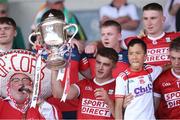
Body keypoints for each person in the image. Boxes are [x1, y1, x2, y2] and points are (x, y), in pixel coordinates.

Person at [31, 9, 90, 119]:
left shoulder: (75, 49)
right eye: (49, 27)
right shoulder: (35, 53)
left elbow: (91, 77)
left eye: (56, 26)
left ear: (64, 26)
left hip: (71, 108)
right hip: (44, 108)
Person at [51, 47, 118, 119]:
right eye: (98, 62)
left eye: (105, 64)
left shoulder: (119, 87)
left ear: (114, 67)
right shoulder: (84, 84)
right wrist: (54, 68)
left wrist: (109, 102)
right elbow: (58, 94)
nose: (100, 67)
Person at [0, 49, 61, 119]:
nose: (21, 83)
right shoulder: (1, 105)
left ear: (31, 85)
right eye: (16, 80)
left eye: (25, 80)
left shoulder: (43, 106)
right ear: (9, 87)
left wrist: (39, 102)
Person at [115, 38, 163, 120]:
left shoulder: (150, 70)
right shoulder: (122, 78)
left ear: (145, 56)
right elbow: (118, 107)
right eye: (131, 53)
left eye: (138, 53)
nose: (134, 57)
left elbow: (164, 67)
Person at [125, 3, 180, 67]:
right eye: (145, 18)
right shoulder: (135, 41)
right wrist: (139, 36)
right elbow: (116, 43)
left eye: (153, 18)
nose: (149, 23)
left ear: (163, 19)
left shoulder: (175, 37)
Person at [154, 37, 180, 119]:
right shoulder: (160, 78)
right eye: (173, 58)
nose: (176, 63)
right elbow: (152, 109)